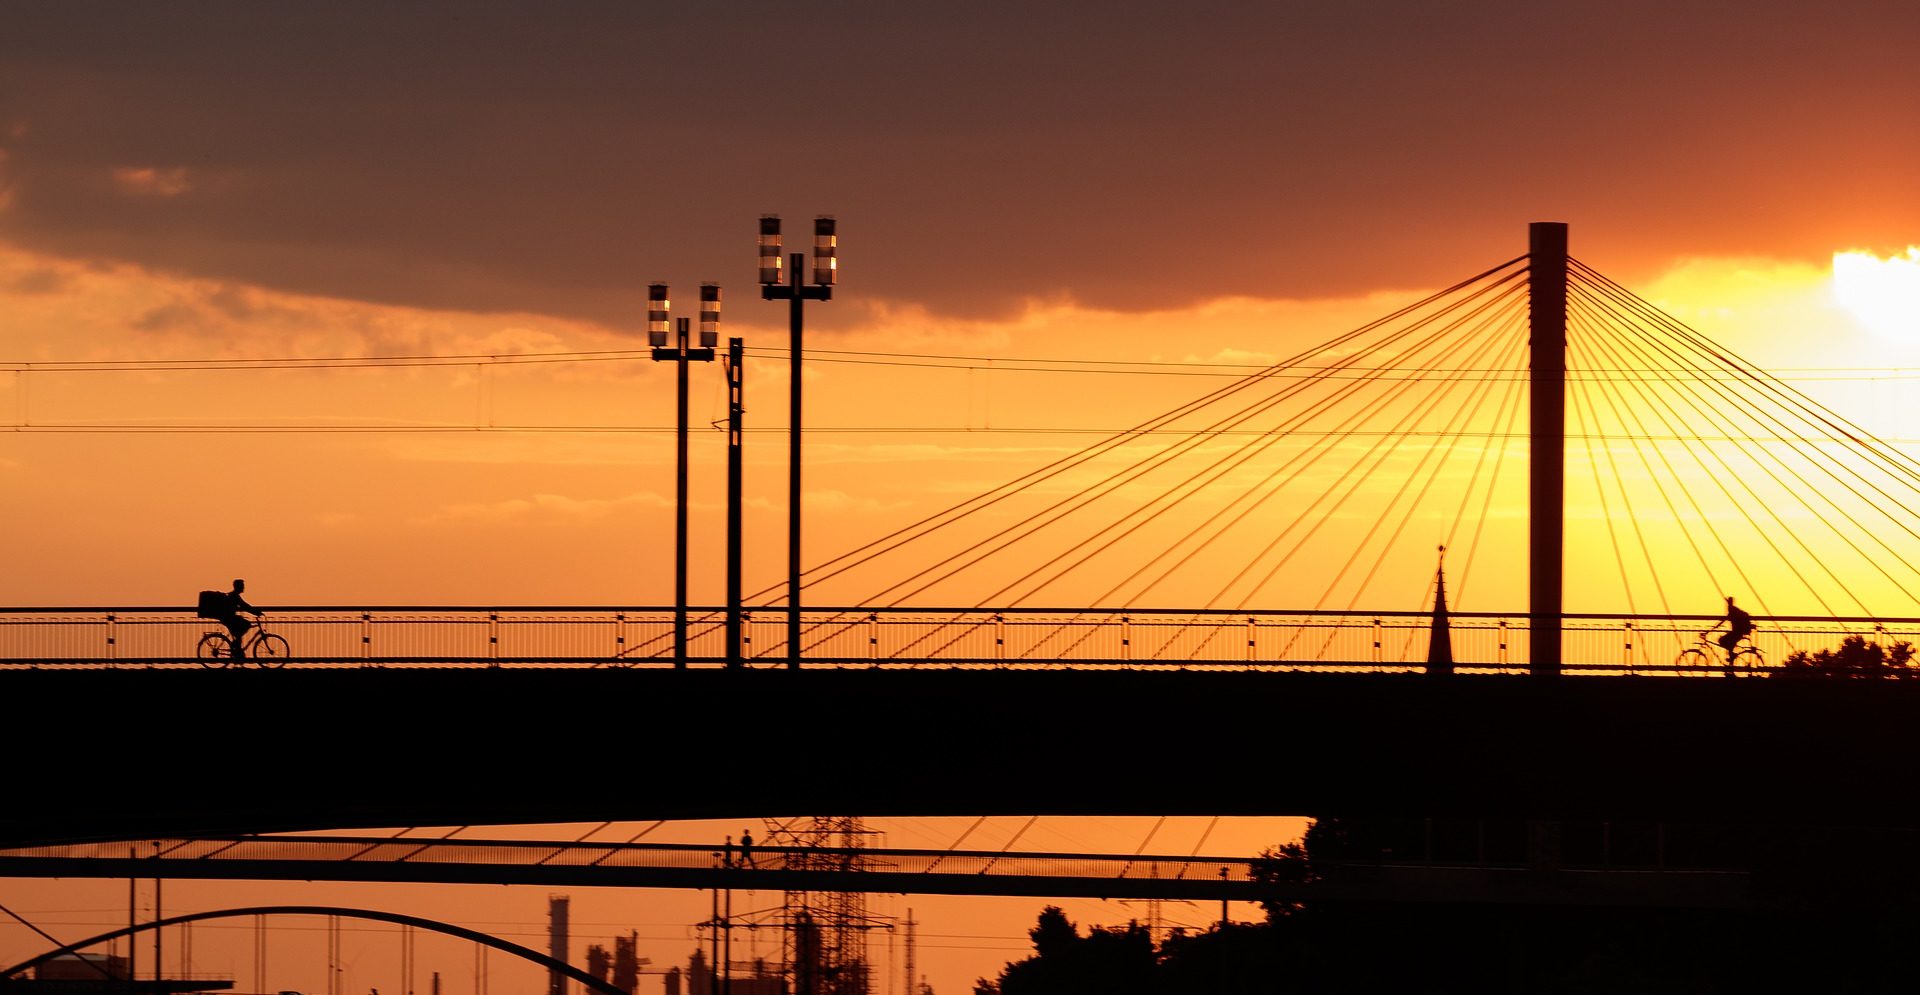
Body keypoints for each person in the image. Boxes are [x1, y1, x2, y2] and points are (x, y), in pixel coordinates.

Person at [214, 579, 261, 660]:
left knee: (241, 628)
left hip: (228, 618)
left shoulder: (233, 595)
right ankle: (236, 647)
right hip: (228, 618)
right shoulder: (235, 596)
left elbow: (244, 605)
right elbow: (244, 606)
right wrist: (256, 612)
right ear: (238, 587)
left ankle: (237, 650)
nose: (243, 588)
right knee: (246, 625)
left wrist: (255, 611)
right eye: (242, 586)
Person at [1711, 595, 1754, 665]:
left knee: (1721, 640)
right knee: (1729, 644)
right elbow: (1725, 619)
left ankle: (1732, 657)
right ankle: (1731, 662)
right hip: (1737, 632)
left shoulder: (1732, 611)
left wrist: (1713, 628)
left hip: (1737, 633)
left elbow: (1723, 620)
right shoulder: (1734, 610)